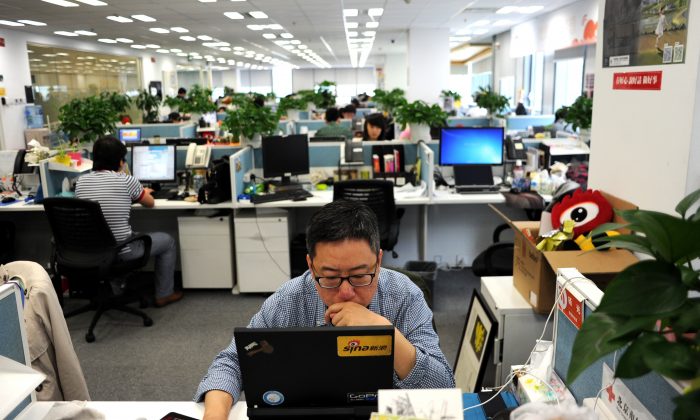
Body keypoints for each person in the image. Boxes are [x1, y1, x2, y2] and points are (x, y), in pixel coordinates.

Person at [194, 200, 455, 418]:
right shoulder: (291, 298)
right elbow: (233, 361)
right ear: (310, 264)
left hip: (386, 414)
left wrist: (385, 333)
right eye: (329, 277)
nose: (345, 292)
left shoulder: (404, 295)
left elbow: (443, 390)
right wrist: (215, 415)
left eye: (359, 275)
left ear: (378, 260)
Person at [75, 136, 183, 307]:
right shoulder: (127, 181)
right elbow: (150, 203)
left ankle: (117, 286)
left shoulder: (81, 182)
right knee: (168, 241)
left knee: (116, 238)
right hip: (123, 251)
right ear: (120, 162)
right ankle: (164, 294)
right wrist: (139, 192)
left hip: (92, 251)